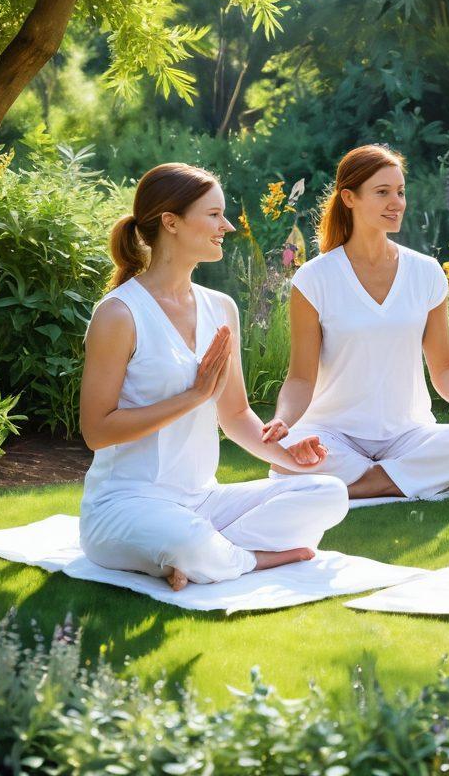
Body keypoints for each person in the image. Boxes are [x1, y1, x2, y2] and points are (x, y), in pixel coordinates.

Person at [79, 164, 348, 591]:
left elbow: (237, 413)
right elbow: (96, 431)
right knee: (185, 539)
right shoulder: (119, 314)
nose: (226, 226)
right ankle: (251, 558)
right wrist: (193, 396)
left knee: (329, 493)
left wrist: (286, 454)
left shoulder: (220, 307)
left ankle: (205, 555)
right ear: (171, 222)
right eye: (214, 215)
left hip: (204, 501)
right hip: (126, 506)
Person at [268, 145, 449, 499]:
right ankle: (411, 479)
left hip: (408, 435)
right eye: (382, 193)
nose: (396, 202)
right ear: (349, 198)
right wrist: (283, 422)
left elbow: (444, 370)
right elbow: (301, 378)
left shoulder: (426, 272)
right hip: (333, 433)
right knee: (285, 452)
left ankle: (360, 485)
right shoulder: (314, 278)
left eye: (400, 191)